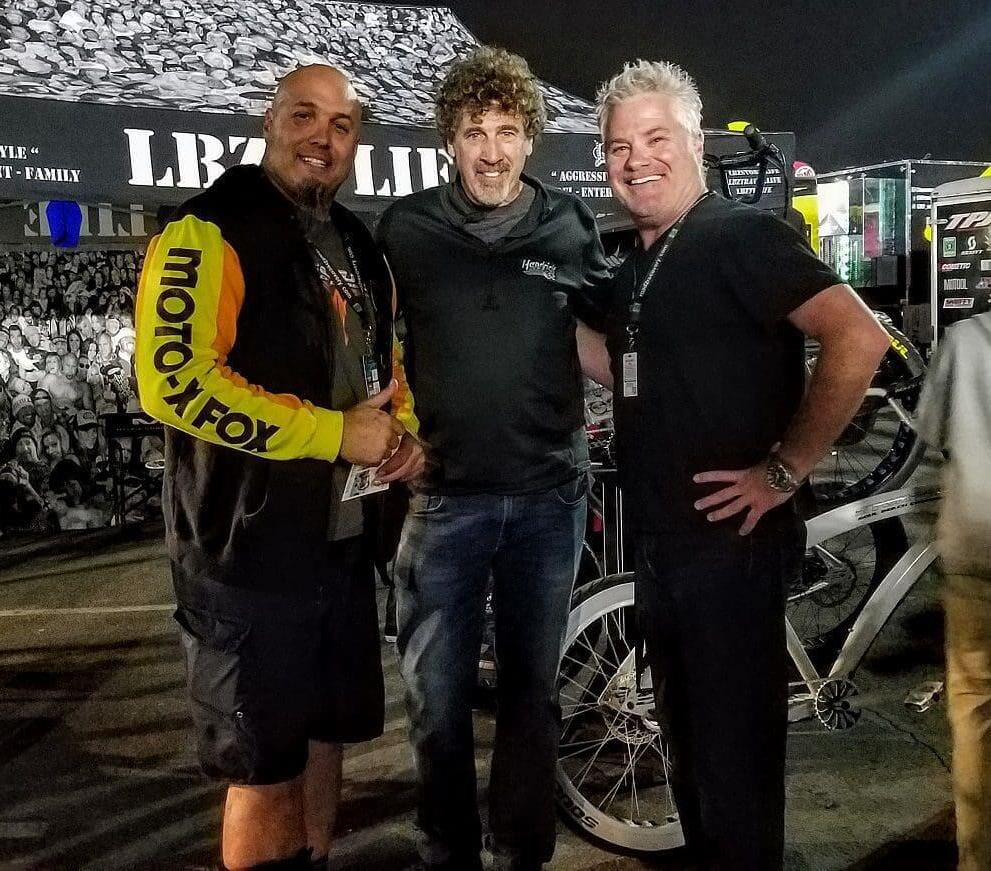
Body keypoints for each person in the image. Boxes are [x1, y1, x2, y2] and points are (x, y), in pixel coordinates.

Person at [583, 60, 890, 868]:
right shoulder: (642, 262)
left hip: (729, 552)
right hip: (662, 550)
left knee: (737, 772)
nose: (636, 158)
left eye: (656, 138)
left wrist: (784, 468)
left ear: (694, 140)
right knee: (692, 764)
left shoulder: (740, 234)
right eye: (619, 145)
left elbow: (859, 338)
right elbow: (624, 367)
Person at [135, 64, 422, 871]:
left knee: (324, 737)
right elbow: (174, 381)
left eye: (342, 124)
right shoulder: (207, 229)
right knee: (262, 767)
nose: (322, 137)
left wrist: (402, 435)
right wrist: (333, 434)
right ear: (270, 122)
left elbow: (384, 364)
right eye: (305, 115)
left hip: (339, 543)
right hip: (243, 553)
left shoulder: (359, 241)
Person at [377, 46, 610, 871]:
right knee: (435, 701)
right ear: (449, 139)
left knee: (532, 695)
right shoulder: (404, 229)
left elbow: (603, 335)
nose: (490, 149)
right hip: (444, 498)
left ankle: (524, 847)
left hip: (550, 495)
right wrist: (381, 429)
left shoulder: (570, 227)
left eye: (507, 130)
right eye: (473, 131)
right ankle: (447, 848)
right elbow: (368, 345)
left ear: (530, 139)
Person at [915, 311, 991, 871]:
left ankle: (976, 857)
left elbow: (930, 437)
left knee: (976, 713)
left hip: (975, 549)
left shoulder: (967, 340)